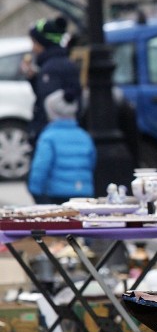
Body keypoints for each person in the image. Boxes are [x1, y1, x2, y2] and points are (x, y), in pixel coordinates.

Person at [27, 89, 96, 205]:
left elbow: (41, 166)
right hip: (84, 191)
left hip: (57, 193)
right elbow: (92, 162)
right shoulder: (84, 136)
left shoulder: (48, 137)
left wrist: (35, 189)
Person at [22, 16, 82, 147]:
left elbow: (50, 105)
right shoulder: (60, 63)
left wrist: (37, 133)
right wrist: (33, 79)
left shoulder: (51, 69)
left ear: (43, 43)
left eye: (34, 43)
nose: (33, 48)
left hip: (53, 138)